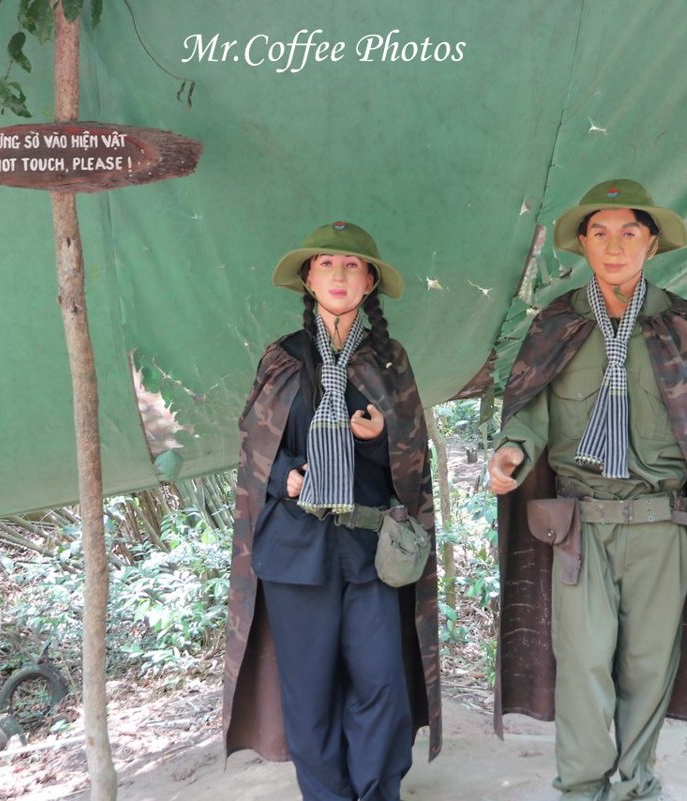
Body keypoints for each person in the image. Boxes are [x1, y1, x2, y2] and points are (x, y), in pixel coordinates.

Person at [488, 179, 687, 801]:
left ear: (651, 244)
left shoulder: (683, 325)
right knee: (584, 665)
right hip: (582, 527)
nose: (614, 245)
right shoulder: (557, 323)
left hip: (661, 525)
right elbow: (527, 411)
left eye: (630, 231)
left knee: (650, 668)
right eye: (599, 232)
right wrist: (511, 450)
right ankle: (580, 789)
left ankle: (635, 787)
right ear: (583, 244)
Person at [222, 221, 441, 800]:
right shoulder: (281, 359)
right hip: (297, 551)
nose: (339, 276)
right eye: (327, 264)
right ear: (308, 278)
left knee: (380, 684)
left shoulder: (389, 361)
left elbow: (414, 459)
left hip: (371, 550)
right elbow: (252, 445)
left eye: (352, 266)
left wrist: (374, 439)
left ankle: (376, 793)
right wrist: (285, 474)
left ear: (369, 282)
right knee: (310, 691)